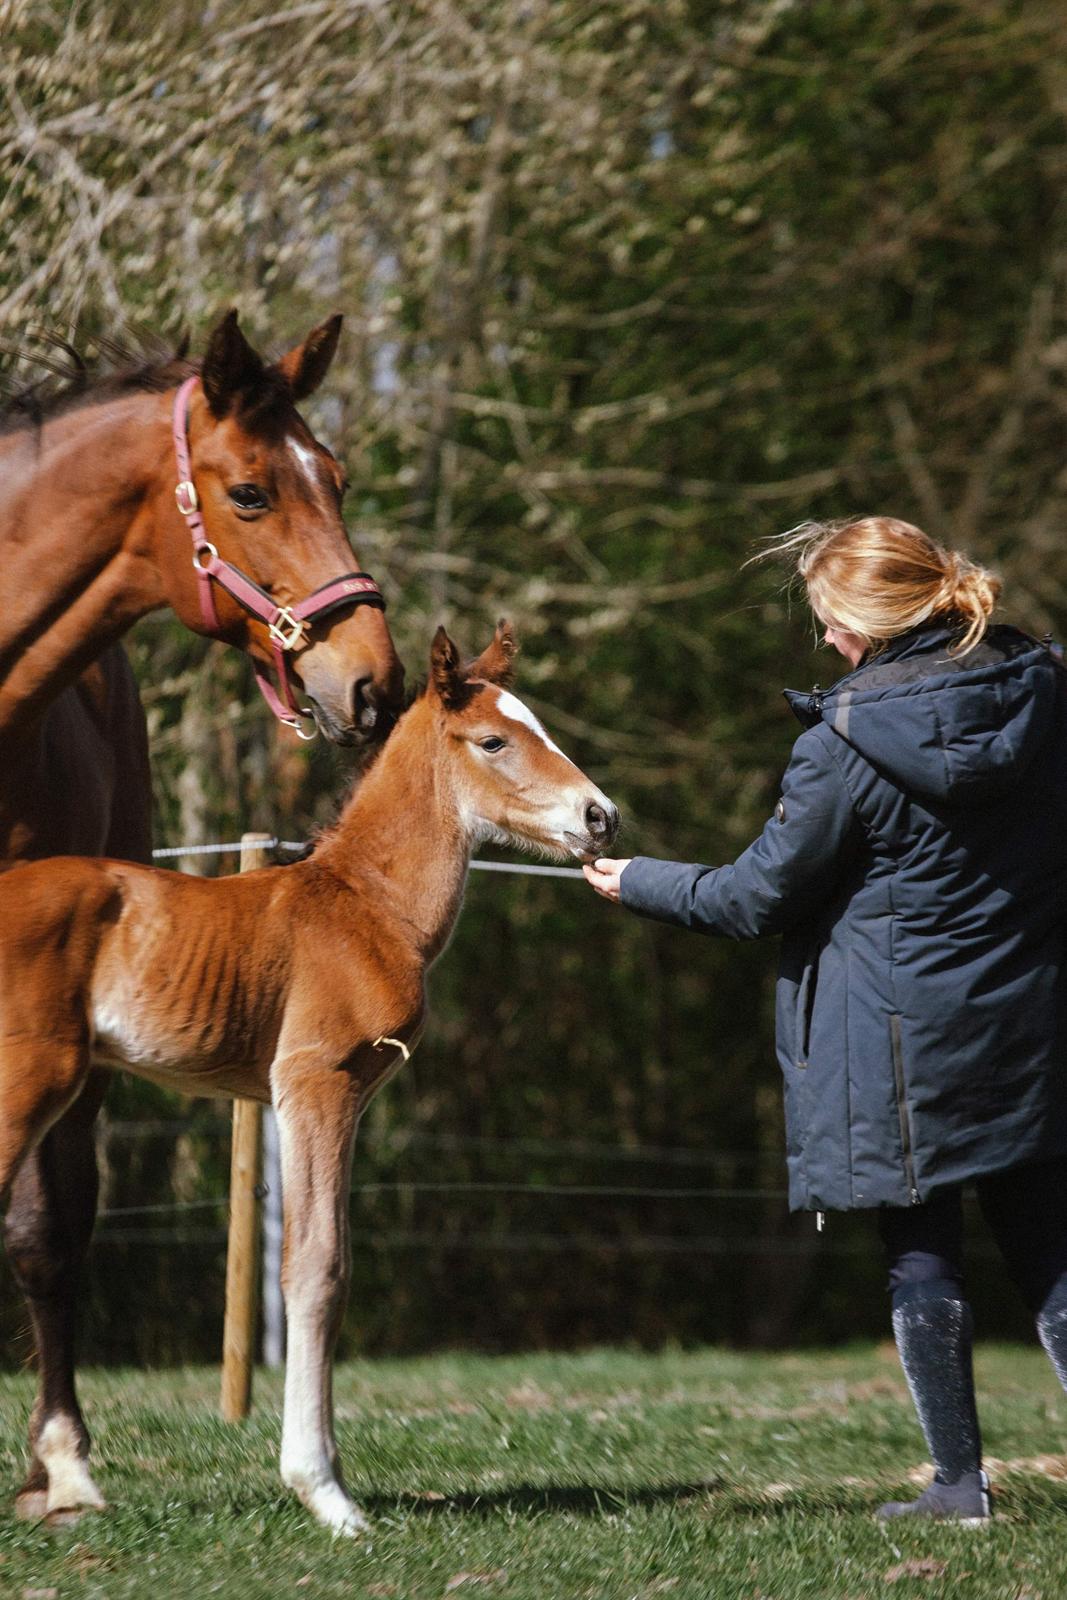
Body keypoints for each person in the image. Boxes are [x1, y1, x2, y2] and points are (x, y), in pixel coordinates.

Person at [584, 516, 1067, 1522]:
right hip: (1029, 1020)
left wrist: (640, 882)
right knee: (1044, 1242)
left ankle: (957, 1486)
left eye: (830, 622)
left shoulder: (840, 746)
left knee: (920, 1250)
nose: (828, 643)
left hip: (897, 1041)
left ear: (870, 620)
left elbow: (755, 898)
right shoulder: (1041, 692)